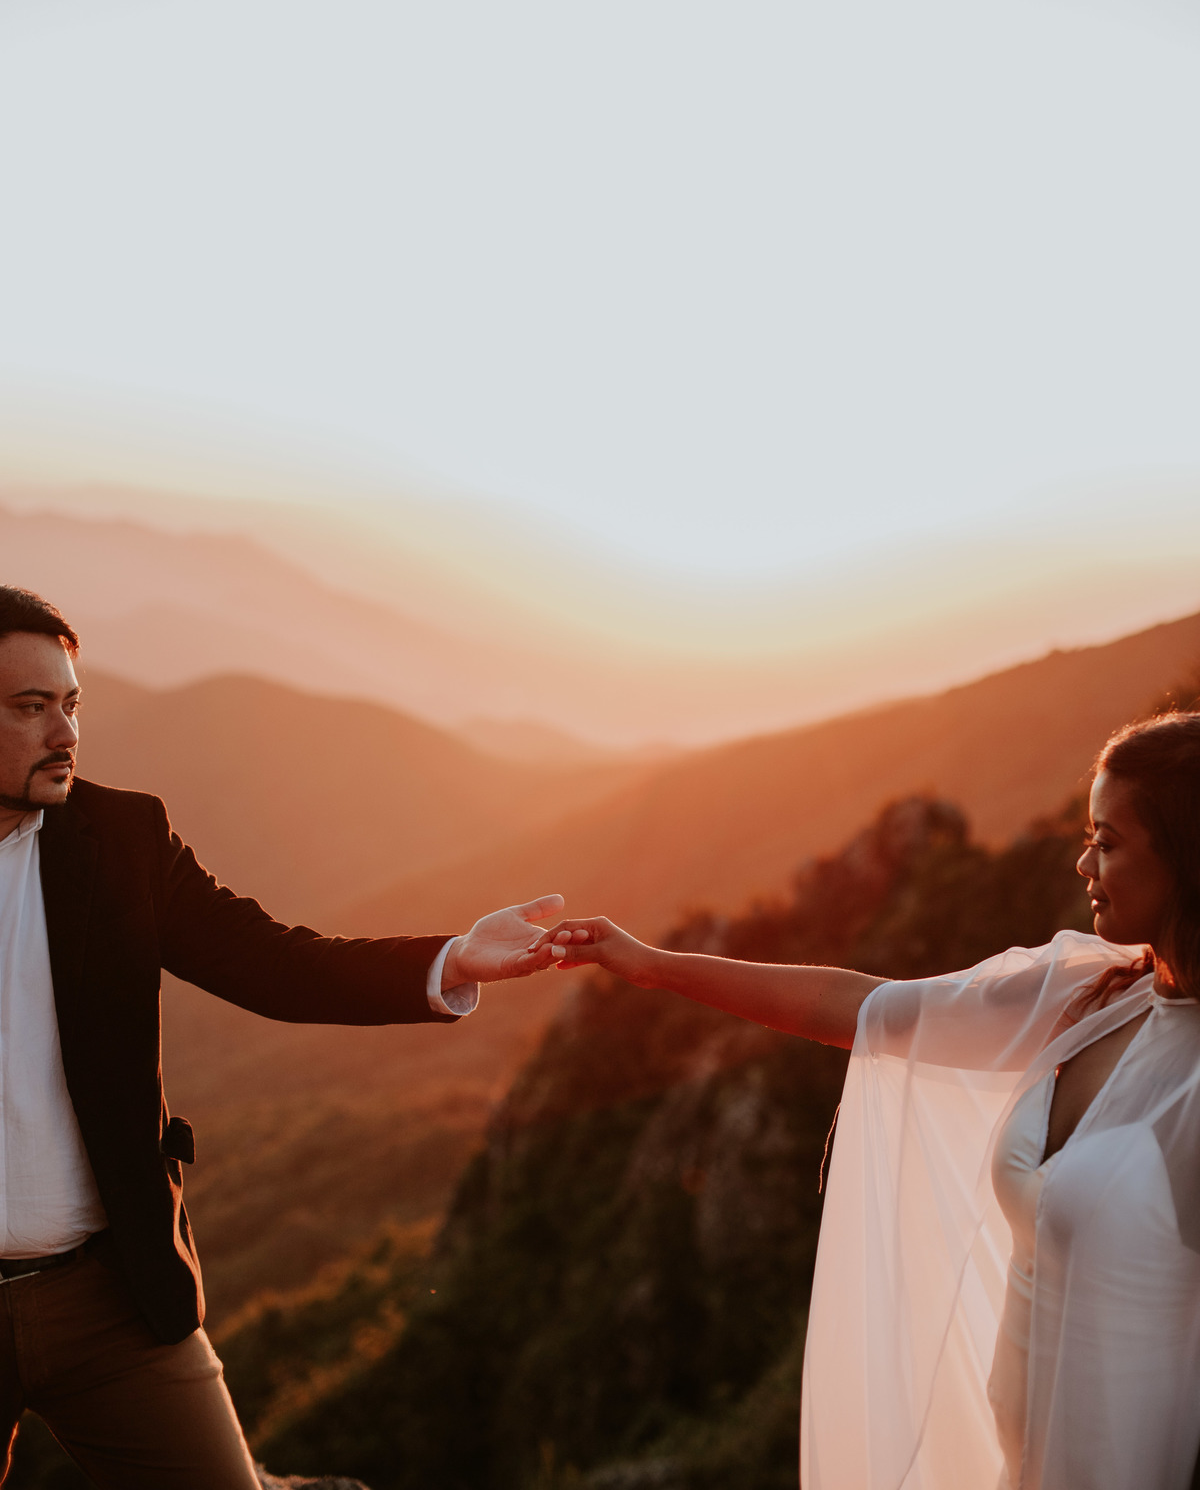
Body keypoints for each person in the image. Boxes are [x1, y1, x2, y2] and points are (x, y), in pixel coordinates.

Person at [536, 712, 1200, 1489]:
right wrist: (651, 966)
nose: (1083, 862)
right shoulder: (1094, 994)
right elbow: (856, 1008)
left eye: (1108, 843)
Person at [0, 583, 563, 1489]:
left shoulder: (122, 839)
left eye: (72, 704)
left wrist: (452, 958)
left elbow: (272, 963)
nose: (65, 733)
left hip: (110, 1300)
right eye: (31, 708)